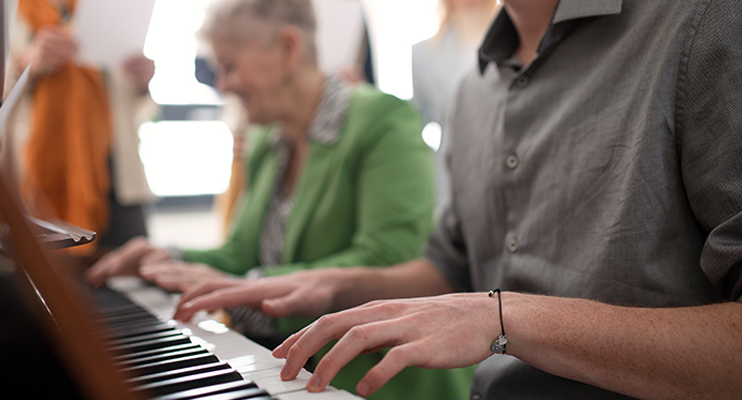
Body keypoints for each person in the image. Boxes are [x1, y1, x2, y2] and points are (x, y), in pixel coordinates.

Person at [175, 0, 742, 398]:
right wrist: (331, 284)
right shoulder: (475, 91)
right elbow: (450, 264)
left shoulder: (707, 24)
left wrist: (502, 317)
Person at [85, 0, 476, 398]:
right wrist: (166, 259)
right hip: (290, 370)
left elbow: (387, 258)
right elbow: (241, 254)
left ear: (288, 48)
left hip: (373, 379)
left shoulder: (383, 120)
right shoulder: (266, 141)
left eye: (229, 66)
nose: (223, 85)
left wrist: (248, 288)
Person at [2, 0, 158, 256]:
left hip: (115, 175)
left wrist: (142, 84)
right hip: (38, 176)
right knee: (50, 282)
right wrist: (25, 65)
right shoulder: (8, 10)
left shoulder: (108, 10)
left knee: (131, 272)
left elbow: (138, 112)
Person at [411, 0, 497, 217]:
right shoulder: (424, 53)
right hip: (449, 179)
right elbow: (414, 126)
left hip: (501, 169)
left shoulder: (513, 43)